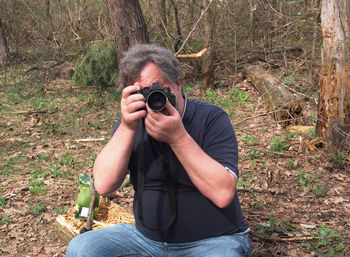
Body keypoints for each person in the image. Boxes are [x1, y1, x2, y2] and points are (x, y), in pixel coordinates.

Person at [66, 44, 251, 257]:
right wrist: (127, 127)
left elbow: (223, 193)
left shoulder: (211, 118)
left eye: (159, 88)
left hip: (214, 241)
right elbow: (104, 184)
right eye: (142, 92)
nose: (153, 97)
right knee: (82, 248)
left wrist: (178, 138)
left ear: (178, 84)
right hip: (145, 240)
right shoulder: (134, 121)